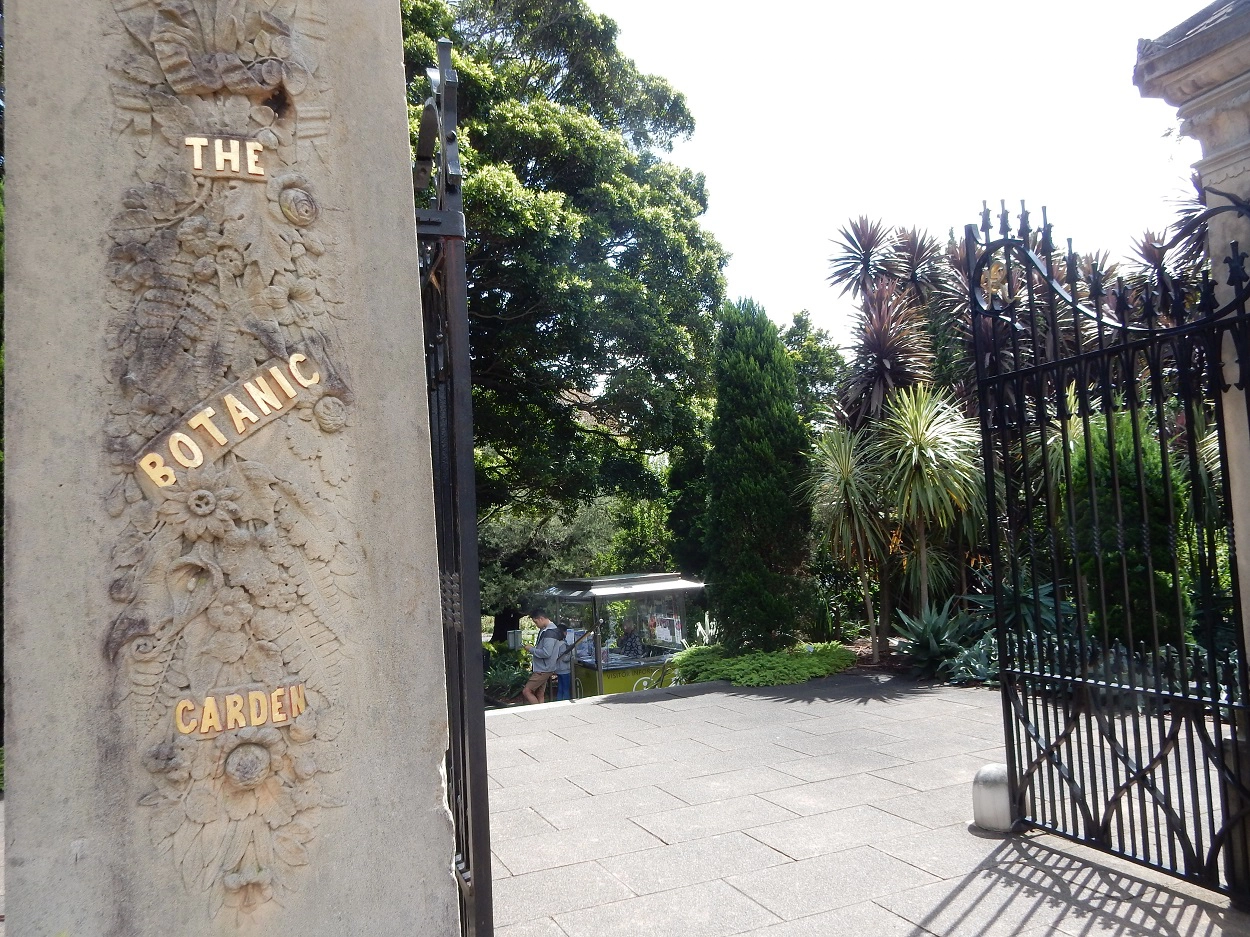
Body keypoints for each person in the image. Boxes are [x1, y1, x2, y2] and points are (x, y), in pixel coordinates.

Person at [522, 609, 561, 704]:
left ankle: (536, 712)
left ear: (541, 618)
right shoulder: (548, 630)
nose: (536, 625)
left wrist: (530, 649)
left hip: (543, 669)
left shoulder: (549, 632)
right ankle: (542, 713)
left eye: (535, 622)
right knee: (540, 694)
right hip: (545, 668)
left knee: (527, 691)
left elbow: (546, 653)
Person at [552, 621, 573, 701]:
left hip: (558, 669)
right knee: (566, 689)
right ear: (564, 632)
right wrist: (570, 653)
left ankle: (559, 702)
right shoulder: (563, 644)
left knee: (560, 688)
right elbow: (565, 658)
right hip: (565, 669)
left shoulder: (556, 643)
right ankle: (566, 704)